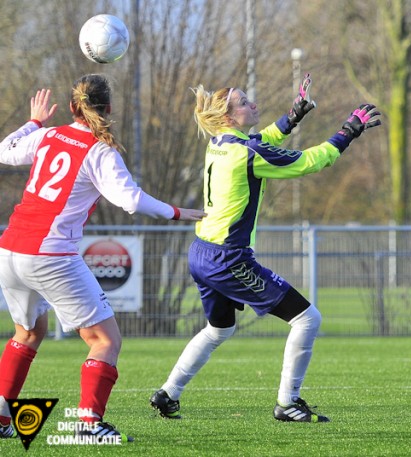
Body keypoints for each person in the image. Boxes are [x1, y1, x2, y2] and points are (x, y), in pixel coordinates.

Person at [149, 74, 381, 423]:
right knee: (307, 319)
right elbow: (308, 162)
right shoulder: (246, 153)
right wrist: (347, 132)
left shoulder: (220, 142)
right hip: (228, 258)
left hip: (201, 252)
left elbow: (260, 140)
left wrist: (293, 116)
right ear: (228, 117)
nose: (252, 104)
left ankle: (168, 393)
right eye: (244, 102)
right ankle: (288, 402)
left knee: (219, 329)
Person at [0, 75, 207, 441]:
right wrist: (177, 212)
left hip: (11, 248)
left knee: (29, 332)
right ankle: (88, 425)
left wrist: (33, 122)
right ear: (109, 108)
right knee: (105, 340)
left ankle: (1, 418)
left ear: (71, 107)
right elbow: (131, 200)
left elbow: (5, 150)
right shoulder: (99, 149)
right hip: (49, 253)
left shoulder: (48, 135)